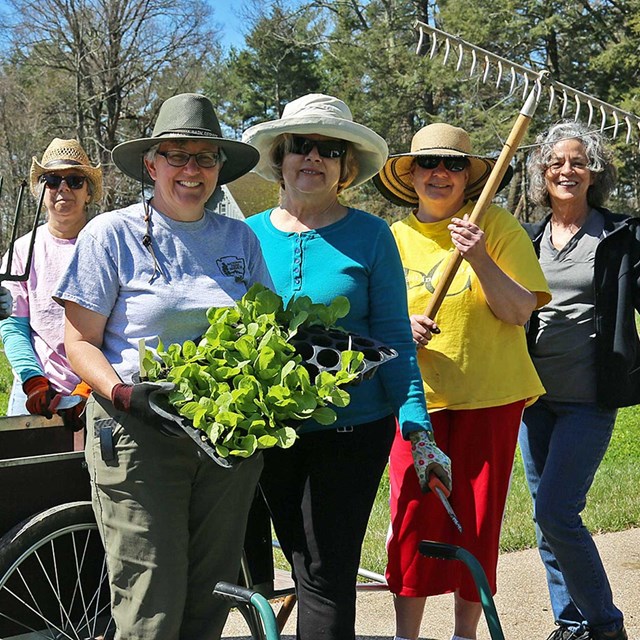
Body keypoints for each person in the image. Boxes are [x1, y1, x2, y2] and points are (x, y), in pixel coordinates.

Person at [54, 93, 271, 639]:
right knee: (150, 600)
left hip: (226, 436)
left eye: (205, 157)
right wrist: (125, 394)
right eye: (177, 155)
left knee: (210, 593)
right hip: (138, 432)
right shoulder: (110, 234)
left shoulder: (238, 239)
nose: (192, 170)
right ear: (152, 164)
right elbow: (78, 341)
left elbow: (264, 330)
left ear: (220, 168)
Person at [241, 93, 452, 640]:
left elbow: (395, 340)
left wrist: (418, 428)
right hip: (271, 431)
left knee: (325, 570)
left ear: (344, 166)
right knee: (292, 560)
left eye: (329, 150)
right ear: (280, 158)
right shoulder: (247, 235)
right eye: (301, 146)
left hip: (353, 429)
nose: (313, 157)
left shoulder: (370, 236)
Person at [374, 122, 550, 640]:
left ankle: (464, 634)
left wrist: (478, 255)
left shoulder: (495, 227)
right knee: (411, 516)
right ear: (411, 173)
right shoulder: (393, 239)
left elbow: (519, 311)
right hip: (415, 402)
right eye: (429, 163)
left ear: (470, 176)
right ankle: (406, 634)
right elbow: (372, 322)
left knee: (476, 519)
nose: (440, 174)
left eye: (453, 165)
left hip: (490, 396)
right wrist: (401, 329)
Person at [520, 121, 631, 640]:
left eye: (578, 162)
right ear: (542, 173)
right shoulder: (528, 238)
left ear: (594, 174)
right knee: (546, 523)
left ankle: (605, 625)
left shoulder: (621, 235)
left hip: (588, 399)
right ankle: (571, 623)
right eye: (557, 162)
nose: (567, 170)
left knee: (557, 511)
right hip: (532, 400)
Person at [0, 138, 102, 427]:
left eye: (75, 180)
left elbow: (122, 327)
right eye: (52, 179)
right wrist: (33, 380)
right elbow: (14, 326)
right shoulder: (22, 251)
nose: (63, 188)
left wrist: (90, 383)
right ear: (41, 189)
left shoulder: (108, 245)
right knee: (29, 469)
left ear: (88, 192)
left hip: (98, 386)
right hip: (35, 389)